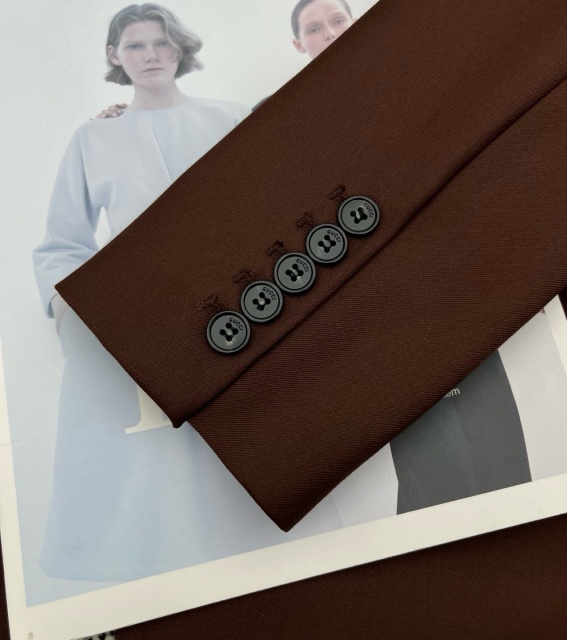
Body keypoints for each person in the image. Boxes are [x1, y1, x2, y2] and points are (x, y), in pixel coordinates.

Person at [32, 3, 389, 583]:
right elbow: (62, 241)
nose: (151, 55)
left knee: (258, 441)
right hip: (147, 317)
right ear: (114, 55)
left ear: (180, 48)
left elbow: (279, 196)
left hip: (244, 304)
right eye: (136, 45)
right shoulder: (93, 138)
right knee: (163, 468)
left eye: (161, 43)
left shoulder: (229, 117)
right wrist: (69, 309)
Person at [97, 0, 357, 119]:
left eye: (338, 21)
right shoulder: (273, 111)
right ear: (298, 44)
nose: (330, 33)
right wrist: (133, 119)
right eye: (314, 28)